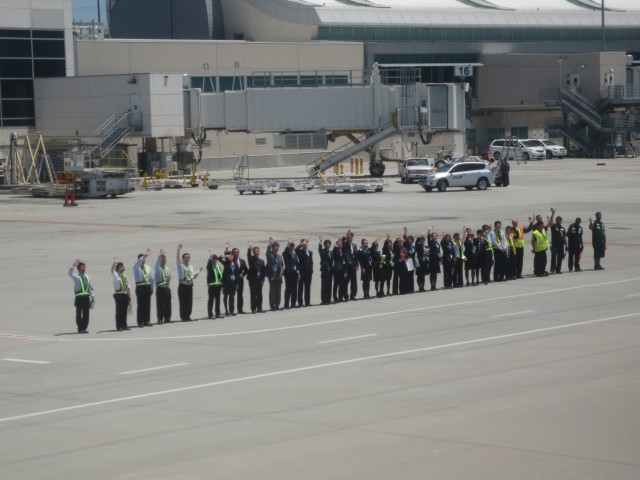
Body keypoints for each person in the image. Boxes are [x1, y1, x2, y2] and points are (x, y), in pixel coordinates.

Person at [176, 244, 202, 321]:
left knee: (189, 302)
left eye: (188, 257)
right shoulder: (180, 265)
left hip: (189, 285)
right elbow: (177, 258)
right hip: (183, 286)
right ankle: (183, 317)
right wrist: (178, 250)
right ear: (183, 258)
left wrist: (198, 271)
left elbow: (193, 276)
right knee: (183, 302)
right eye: (185, 257)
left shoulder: (190, 267)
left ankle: (188, 316)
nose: (187, 259)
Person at [69, 259, 94, 334]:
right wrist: (73, 265)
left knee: (86, 314)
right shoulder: (76, 277)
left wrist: (92, 295)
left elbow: (90, 287)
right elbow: (70, 273)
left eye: (84, 267)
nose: (84, 268)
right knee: (79, 314)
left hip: (86, 298)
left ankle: (84, 328)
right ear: (78, 269)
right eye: (82, 267)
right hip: (79, 298)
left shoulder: (88, 277)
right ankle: (80, 328)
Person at [531, 208, 554, 277]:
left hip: (543, 248)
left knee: (544, 261)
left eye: (541, 218)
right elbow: (533, 241)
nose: (541, 219)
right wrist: (534, 248)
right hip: (538, 249)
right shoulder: (535, 228)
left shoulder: (543, 229)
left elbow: (549, 224)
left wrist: (552, 214)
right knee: (538, 261)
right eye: (539, 219)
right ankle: (538, 272)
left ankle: (542, 271)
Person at [133, 249, 153, 327]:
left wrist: (151, 287)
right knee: (141, 305)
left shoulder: (148, 267)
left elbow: (152, 278)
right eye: (142, 258)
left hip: (147, 286)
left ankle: (146, 320)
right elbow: (139, 262)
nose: (143, 260)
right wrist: (144, 256)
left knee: (147, 304)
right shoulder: (136, 266)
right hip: (140, 287)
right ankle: (140, 321)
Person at [111, 257, 130, 331]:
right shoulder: (115, 275)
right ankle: (119, 326)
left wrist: (129, 294)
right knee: (119, 311)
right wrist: (115, 263)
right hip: (119, 295)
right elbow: (112, 270)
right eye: (120, 267)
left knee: (124, 311)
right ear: (117, 269)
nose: (121, 268)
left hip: (125, 295)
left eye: (122, 267)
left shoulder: (124, 275)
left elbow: (128, 285)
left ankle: (124, 325)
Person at [246, 241, 266, 313]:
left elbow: (263, 271)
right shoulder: (251, 260)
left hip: (259, 280)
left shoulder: (261, 261)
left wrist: (263, 279)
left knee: (259, 294)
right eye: (255, 251)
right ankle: (253, 308)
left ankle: (259, 308)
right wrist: (250, 247)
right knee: (253, 295)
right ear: (253, 252)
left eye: (257, 251)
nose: (257, 252)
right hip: (253, 280)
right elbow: (248, 255)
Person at [266, 237, 284, 311]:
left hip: (278, 276)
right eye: (275, 247)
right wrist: (270, 244)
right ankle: (272, 305)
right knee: (272, 292)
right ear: (272, 248)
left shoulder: (279, 256)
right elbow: (267, 251)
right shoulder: (270, 255)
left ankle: (277, 305)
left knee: (278, 292)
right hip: (272, 276)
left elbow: (282, 266)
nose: (276, 248)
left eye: (277, 247)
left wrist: (281, 273)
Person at [154, 249, 172, 324]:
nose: (163, 260)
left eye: (164, 259)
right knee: (160, 305)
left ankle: (167, 318)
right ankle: (160, 318)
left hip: (167, 288)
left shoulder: (167, 268)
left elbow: (169, 277)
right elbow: (157, 264)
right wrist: (160, 256)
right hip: (160, 288)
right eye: (162, 259)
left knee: (168, 304)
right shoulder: (158, 268)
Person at [230, 247, 248, 314]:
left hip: (240, 280)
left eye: (237, 252)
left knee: (240, 295)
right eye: (235, 252)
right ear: (232, 253)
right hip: (233, 280)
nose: (236, 253)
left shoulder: (242, 261)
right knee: (232, 295)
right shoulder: (231, 261)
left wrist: (243, 274)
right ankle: (231, 310)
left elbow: (246, 270)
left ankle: (240, 310)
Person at [295, 238, 313, 307]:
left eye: (306, 243)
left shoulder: (310, 252)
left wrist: (311, 270)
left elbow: (311, 262)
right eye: (304, 243)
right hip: (302, 272)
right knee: (300, 288)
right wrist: (301, 244)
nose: (306, 244)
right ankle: (300, 302)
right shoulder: (300, 252)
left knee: (307, 288)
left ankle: (307, 302)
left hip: (309, 273)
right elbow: (296, 249)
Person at [206, 250, 223, 319]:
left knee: (218, 300)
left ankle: (217, 313)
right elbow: (208, 263)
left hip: (218, 286)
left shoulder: (218, 267)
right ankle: (210, 314)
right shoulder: (210, 267)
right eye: (213, 260)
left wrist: (222, 285)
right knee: (211, 300)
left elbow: (220, 276)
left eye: (216, 260)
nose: (215, 261)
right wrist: (211, 256)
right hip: (212, 286)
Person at [283, 240, 299, 309]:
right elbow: (284, 252)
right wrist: (288, 244)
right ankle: (286, 304)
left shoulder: (295, 255)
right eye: (290, 247)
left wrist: (298, 271)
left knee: (294, 289)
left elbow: (296, 264)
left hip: (295, 273)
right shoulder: (286, 254)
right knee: (288, 289)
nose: (292, 248)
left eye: (292, 247)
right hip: (288, 273)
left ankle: (293, 303)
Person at [343, 230, 359, 300]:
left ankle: (353, 295)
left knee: (354, 282)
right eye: (348, 237)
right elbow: (343, 241)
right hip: (347, 266)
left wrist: (357, 264)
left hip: (353, 266)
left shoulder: (354, 246)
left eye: (351, 237)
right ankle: (345, 296)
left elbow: (356, 256)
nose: (350, 238)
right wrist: (346, 236)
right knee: (346, 282)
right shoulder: (345, 245)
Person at [318, 236, 334, 305]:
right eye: (326, 244)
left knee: (329, 286)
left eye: (329, 244)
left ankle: (328, 299)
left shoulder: (331, 252)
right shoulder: (323, 252)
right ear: (324, 245)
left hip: (330, 271)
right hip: (324, 271)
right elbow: (319, 249)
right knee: (324, 286)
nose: (328, 245)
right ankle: (324, 300)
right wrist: (321, 241)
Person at [333, 237, 348, 302]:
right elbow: (334, 249)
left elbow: (344, 263)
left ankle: (340, 297)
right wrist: (337, 243)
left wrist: (345, 272)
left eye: (341, 244)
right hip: (337, 271)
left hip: (342, 271)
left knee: (342, 285)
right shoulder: (335, 251)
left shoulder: (343, 253)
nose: (340, 245)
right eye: (339, 244)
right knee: (336, 285)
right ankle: (335, 297)